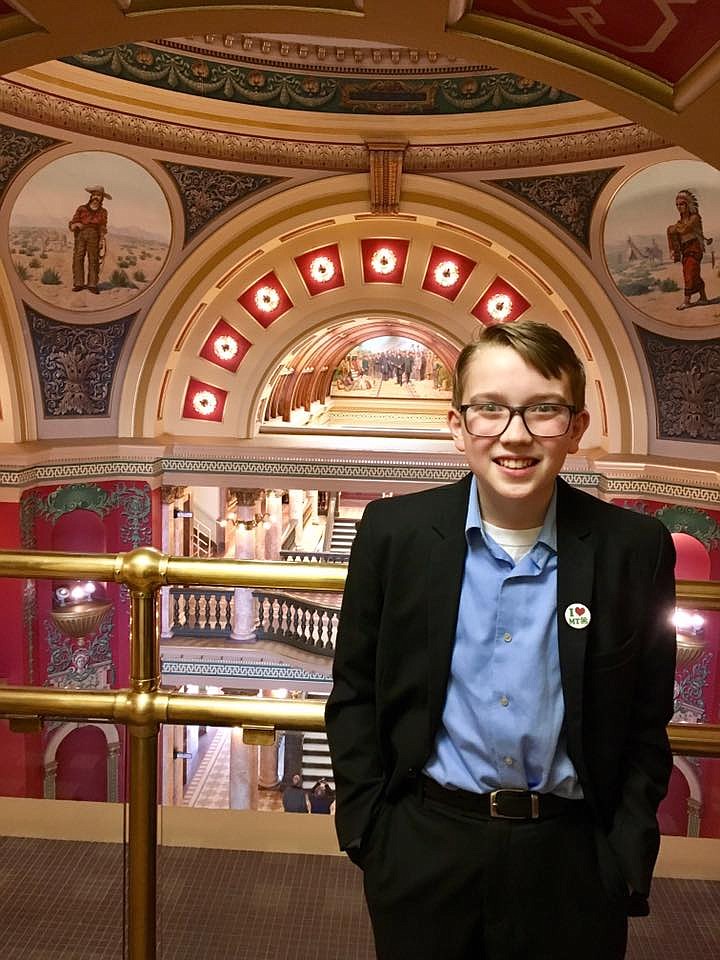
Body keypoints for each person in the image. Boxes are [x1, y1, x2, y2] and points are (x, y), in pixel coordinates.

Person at [326, 320, 676, 960]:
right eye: (490, 408)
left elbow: (647, 720)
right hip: (423, 849)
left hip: (572, 858)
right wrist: (370, 835)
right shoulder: (392, 534)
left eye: (543, 409)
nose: (515, 434)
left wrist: (623, 849)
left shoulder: (635, 550)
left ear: (576, 425)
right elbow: (354, 694)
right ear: (456, 424)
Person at [666, 188, 711, 310]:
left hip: (694, 248)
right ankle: (703, 298)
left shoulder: (695, 218)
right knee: (694, 274)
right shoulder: (681, 221)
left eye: (681, 204)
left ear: (688, 204)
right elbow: (677, 230)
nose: (679, 207)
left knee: (689, 274)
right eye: (677, 205)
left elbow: (683, 229)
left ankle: (687, 301)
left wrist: (672, 228)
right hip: (685, 249)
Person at [68, 185, 111, 293]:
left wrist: (101, 240)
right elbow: (73, 222)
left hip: (94, 236)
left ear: (102, 198)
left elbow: (103, 227)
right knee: (78, 258)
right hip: (80, 235)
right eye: (95, 195)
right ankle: (79, 283)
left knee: (94, 260)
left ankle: (92, 285)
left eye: (99, 195)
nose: (96, 197)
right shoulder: (81, 208)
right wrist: (76, 224)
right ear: (91, 196)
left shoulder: (103, 212)